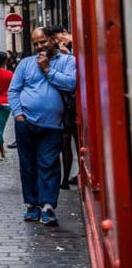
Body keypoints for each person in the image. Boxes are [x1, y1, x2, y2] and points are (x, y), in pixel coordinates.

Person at [8, 27, 77, 226]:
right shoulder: (25, 64)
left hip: (53, 125)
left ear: (53, 40)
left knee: (49, 164)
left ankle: (47, 206)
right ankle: (32, 204)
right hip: (26, 123)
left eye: (43, 42)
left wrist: (48, 70)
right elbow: (14, 90)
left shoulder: (67, 61)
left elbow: (71, 84)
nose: (39, 46)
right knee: (28, 166)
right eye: (36, 43)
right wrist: (19, 115)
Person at [46, 25, 79, 188]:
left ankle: (72, 176)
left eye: (56, 37)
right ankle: (65, 179)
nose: (56, 41)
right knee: (66, 142)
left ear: (65, 33)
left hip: (74, 104)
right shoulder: (58, 54)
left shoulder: (72, 48)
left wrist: (69, 54)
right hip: (65, 105)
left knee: (74, 141)